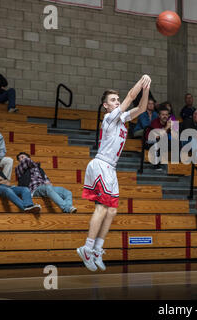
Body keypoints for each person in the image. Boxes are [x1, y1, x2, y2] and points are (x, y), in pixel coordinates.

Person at [79, 75, 151, 272]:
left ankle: (97, 249)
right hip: (101, 164)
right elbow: (130, 96)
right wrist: (141, 81)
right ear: (105, 106)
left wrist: (146, 90)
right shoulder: (109, 117)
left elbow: (142, 109)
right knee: (101, 209)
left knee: (112, 211)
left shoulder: (122, 118)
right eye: (113, 100)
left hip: (111, 168)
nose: (118, 102)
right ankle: (87, 247)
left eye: (118, 100)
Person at [145, 105, 171, 171]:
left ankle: (176, 165)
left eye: (166, 115)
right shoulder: (155, 122)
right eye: (163, 115)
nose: (165, 116)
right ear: (159, 116)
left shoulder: (170, 122)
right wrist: (167, 127)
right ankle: (156, 165)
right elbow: (157, 137)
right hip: (150, 141)